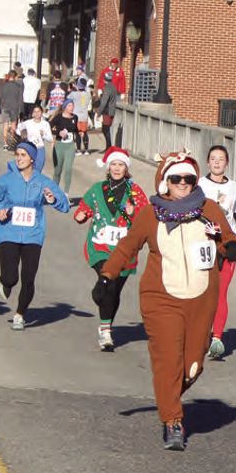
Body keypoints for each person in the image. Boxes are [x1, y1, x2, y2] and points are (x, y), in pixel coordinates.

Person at [94, 151, 236, 450]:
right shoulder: (151, 214)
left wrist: (232, 247)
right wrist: (107, 276)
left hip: (202, 299)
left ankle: (168, 394)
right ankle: (173, 420)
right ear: (165, 183)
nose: (183, 184)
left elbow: (228, 238)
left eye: (188, 178)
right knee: (167, 360)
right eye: (177, 179)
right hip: (161, 298)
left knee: (193, 365)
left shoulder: (209, 209)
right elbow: (128, 246)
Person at [0, 141, 70, 330]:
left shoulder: (43, 182)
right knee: (10, 277)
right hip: (9, 232)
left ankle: (20, 314)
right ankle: (5, 283)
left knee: (28, 277)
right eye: (17, 154)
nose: (19, 158)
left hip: (33, 235)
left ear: (32, 159)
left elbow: (65, 204)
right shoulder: (6, 180)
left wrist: (53, 199)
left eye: (23, 155)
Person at [73, 147, 150, 350]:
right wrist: (81, 215)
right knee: (108, 282)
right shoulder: (98, 189)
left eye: (121, 165)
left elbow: (145, 218)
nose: (117, 169)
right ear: (108, 168)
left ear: (126, 168)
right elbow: (86, 207)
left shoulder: (136, 192)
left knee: (114, 292)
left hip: (124, 250)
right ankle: (106, 332)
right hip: (99, 246)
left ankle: (106, 319)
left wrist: (133, 213)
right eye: (114, 165)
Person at [198, 145, 236, 361]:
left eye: (221, 159)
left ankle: (217, 338)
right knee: (201, 291)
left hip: (227, 244)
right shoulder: (199, 185)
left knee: (221, 292)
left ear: (226, 163)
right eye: (213, 159)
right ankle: (199, 335)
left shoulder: (235, 188)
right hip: (202, 243)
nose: (217, 162)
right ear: (207, 162)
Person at [94, 57, 125, 151]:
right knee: (106, 128)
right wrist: (99, 90)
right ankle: (109, 146)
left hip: (108, 109)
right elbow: (100, 82)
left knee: (106, 128)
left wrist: (98, 113)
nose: (114, 65)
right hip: (110, 105)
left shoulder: (109, 87)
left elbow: (104, 102)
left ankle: (109, 147)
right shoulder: (106, 72)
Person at [49, 98, 79, 195]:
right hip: (59, 145)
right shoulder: (58, 117)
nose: (72, 108)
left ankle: (66, 194)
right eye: (70, 106)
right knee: (57, 170)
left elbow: (76, 130)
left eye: (72, 105)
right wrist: (58, 132)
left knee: (68, 169)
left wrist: (79, 136)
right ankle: (55, 192)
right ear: (65, 107)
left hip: (70, 146)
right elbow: (49, 127)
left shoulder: (75, 117)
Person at [16, 103, 53, 172]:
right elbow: (18, 130)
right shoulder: (27, 123)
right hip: (29, 149)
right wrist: (23, 133)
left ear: (42, 113)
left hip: (40, 149)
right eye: (35, 112)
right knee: (27, 169)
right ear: (32, 113)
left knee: (38, 170)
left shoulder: (45, 124)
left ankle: (35, 182)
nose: (36, 113)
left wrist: (44, 135)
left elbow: (50, 139)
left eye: (38, 111)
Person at [0, 71, 23, 144]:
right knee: (13, 125)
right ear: (15, 77)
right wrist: (21, 110)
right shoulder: (18, 87)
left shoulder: (3, 86)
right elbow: (20, 99)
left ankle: (5, 143)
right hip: (14, 108)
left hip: (5, 106)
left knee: (5, 125)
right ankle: (12, 142)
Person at [69, 78, 93, 155]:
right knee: (85, 132)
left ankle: (78, 149)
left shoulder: (74, 94)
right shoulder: (88, 94)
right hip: (84, 115)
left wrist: (74, 88)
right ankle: (86, 149)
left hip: (76, 116)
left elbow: (68, 98)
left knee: (77, 133)